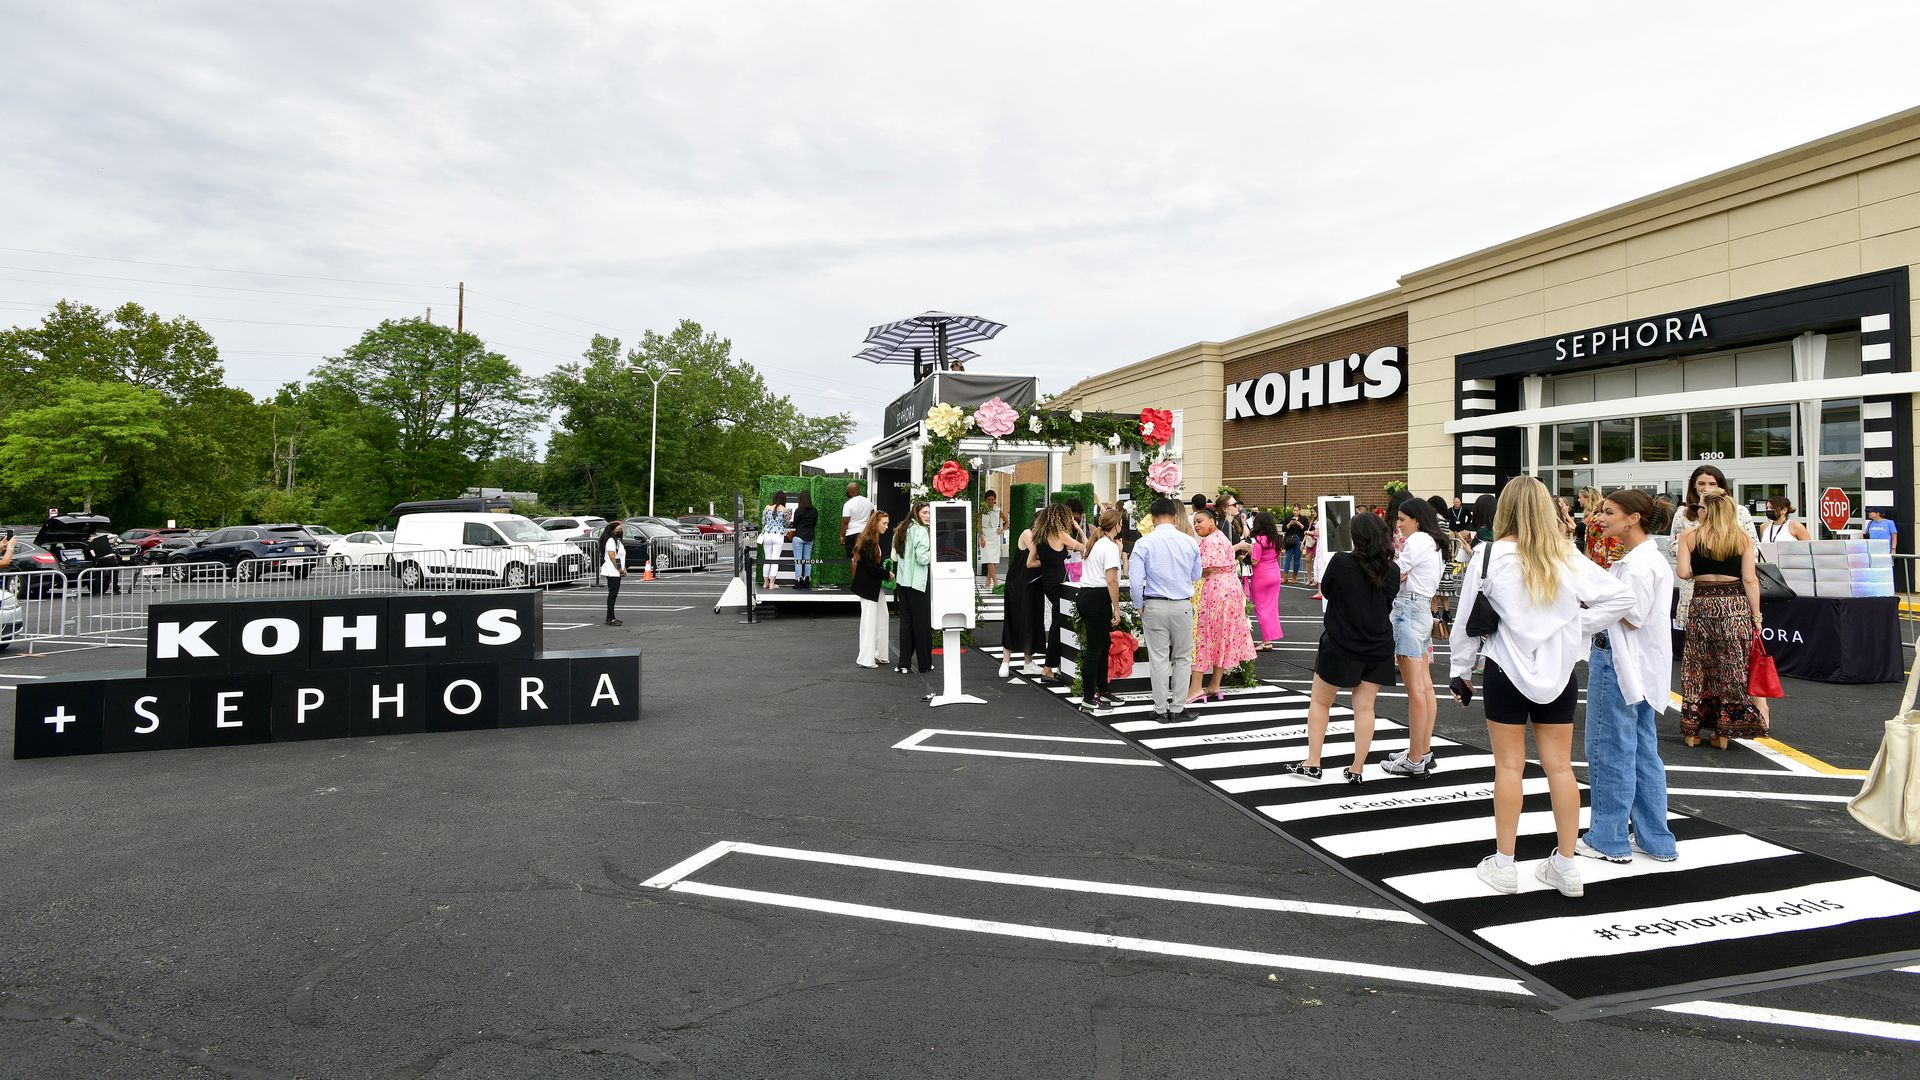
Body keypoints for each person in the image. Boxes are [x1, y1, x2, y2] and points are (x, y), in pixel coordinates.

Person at [1451, 476, 1632, 898]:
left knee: (1509, 767)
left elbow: (1464, 625)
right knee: (1561, 768)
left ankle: (1504, 864)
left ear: (1505, 510)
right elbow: (1621, 598)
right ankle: (1567, 866)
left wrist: (1460, 671)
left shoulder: (1487, 555)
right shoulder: (1565, 554)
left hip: (1503, 670)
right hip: (1560, 672)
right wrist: (1574, 629)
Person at [1577, 489, 1680, 865]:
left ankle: (1608, 837)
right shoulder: (1644, 559)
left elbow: (1631, 614)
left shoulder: (1638, 565)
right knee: (1641, 752)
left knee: (1610, 750)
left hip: (1619, 662)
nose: (1600, 518)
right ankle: (1656, 838)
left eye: (1609, 512)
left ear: (1632, 518)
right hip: (1640, 666)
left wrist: (1593, 600)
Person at [1286, 512, 1398, 784]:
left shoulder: (1342, 561)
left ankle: (1313, 762)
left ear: (1356, 536)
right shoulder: (1392, 569)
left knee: (1321, 702)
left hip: (1340, 642)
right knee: (1365, 708)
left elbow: (1326, 590)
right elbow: (1388, 601)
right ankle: (1357, 768)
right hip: (1378, 644)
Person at [1676, 491, 1765, 749]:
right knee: (1731, 666)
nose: (1698, 511)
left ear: (1708, 511)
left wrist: (1700, 568)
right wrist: (1756, 615)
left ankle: (1692, 731)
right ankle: (1722, 731)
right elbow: (1750, 579)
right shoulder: (1741, 538)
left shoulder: (1690, 536)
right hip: (1734, 606)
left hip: (1703, 605)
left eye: (1701, 507)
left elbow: (1683, 573)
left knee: (1698, 666)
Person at [1382, 498, 1449, 778]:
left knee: (1416, 691)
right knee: (1425, 687)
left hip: (1408, 611)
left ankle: (1414, 758)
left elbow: (1398, 573)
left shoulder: (1418, 540)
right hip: (1421, 610)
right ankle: (1422, 749)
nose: (1399, 525)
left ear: (1417, 520)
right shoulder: (1435, 542)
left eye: (1403, 519)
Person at [1129, 497, 1203, 723]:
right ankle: (1179, 708)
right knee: (1182, 658)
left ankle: (1160, 709)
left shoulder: (1144, 543)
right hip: (1182, 604)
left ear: (1152, 518)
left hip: (1154, 604)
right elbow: (1196, 575)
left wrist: (1138, 605)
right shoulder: (1189, 542)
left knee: (1159, 659)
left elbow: (1135, 582)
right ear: (1174, 516)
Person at [1187, 507, 1257, 704]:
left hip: (1216, 591)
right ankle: (1214, 685)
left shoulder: (1209, 541)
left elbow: (1204, 569)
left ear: (1212, 522)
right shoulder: (1222, 538)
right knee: (1223, 637)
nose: (1197, 525)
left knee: (1205, 636)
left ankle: (1195, 688)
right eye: (1195, 522)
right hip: (1231, 590)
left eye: (1200, 521)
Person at [1026, 503, 1085, 680]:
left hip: (1048, 583)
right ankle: (1048, 668)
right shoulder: (1061, 535)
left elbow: (1030, 563)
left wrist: (1047, 562)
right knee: (1059, 624)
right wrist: (1079, 529)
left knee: (1058, 621)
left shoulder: (1039, 536)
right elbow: (1085, 547)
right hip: (1061, 584)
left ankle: (1056, 665)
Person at [1078, 509, 1125, 712]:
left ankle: (1104, 692)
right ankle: (1088, 698)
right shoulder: (1109, 546)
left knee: (1102, 647)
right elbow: (1111, 580)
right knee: (1096, 650)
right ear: (1116, 525)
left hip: (1086, 596)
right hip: (1098, 598)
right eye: (1121, 522)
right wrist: (1116, 607)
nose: (1122, 526)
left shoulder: (1096, 543)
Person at [892, 502, 934, 674]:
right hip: (918, 583)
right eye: (925, 512)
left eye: (929, 513)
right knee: (922, 624)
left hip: (903, 582)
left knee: (906, 623)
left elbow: (894, 557)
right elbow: (923, 559)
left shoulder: (901, 529)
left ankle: (903, 663)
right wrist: (937, 551)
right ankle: (925, 664)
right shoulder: (922, 532)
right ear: (916, 513)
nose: (928, 516)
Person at [1001, 510, 1041, 676]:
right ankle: (1005, 662)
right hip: (1017, 583)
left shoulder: (1042, 538)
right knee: (1012, 618)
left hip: (1032, 584)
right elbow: (1033, 558)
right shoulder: (1027, 533)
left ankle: (1028, 661)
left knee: (1030, 621)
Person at [850, 512, 892, 668]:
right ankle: (866, 659)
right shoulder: (868, 541)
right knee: (869, 622)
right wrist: (887, 573)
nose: (886, 527)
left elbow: (872, 567)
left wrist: (884, 573)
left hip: (873, 586)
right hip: (868, 586)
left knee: (882, 616)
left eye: (887, 523)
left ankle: (879, 654)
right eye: (884, 523)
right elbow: (871, 568)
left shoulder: (871, 540)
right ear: (876, 523)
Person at [1240, 512, 1284, 651]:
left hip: (1262, 575)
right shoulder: (1276, 539)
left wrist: (1242, 558)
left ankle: (1267, 641)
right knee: (1271, 608)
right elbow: (1277, 555)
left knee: (1261, 609)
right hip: (1275, 574)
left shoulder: (1258, 540)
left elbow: (1254, 561)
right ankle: (1269, 638)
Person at [1579, 487, 1621, 568]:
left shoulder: (1595, 518)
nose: (1578, 500)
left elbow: (1590, 545)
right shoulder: (1595, 517)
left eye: (1580, 497)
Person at [599, 520, 628, 626]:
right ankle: (610, 618)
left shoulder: (617, 540)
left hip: (616, 571)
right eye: (618, 529)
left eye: (621, 529)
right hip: (612, 571)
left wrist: (624, 569)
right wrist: (619, 569)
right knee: (612, 595)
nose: (621, 530)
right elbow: (612, 557)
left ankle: (611, 617)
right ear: (612, 530)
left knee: (613, 595)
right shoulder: (611, 541)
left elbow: (620, 556)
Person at [759, 494, 789, 591]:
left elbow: (763, 522)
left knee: (767, 559)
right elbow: (787, 523)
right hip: (778, 535)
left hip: (767, 534)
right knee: (775, 560)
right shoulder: (785, 510)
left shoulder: (767, 507)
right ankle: (772, 584)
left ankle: (765, 583)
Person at [790, 492, 818, 589]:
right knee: (808, 560)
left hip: (798, 536)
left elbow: (795, 524)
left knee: (798, 560)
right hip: (809, 537)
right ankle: (807, 579)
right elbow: (814, 524)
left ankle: (798, 580)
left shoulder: (798, 511)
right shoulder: (814, 511)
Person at [978, 490, 1005, 590]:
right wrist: (981, 538)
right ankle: (996, 582)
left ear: (995, 500)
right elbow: (979, 525)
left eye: (992, 499)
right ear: (986, 500)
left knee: (991, 561)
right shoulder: (982, 510)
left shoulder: (998, 510)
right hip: (985, 536)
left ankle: (988, 583)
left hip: (995, 536)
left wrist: (1003, 529)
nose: (991, 501)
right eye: (989, 499)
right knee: (989, 560)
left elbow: (1007, 521)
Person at [840, 481, 875, 556]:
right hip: (866, 534)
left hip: (851, 535)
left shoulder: (848, 504)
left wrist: (842, 535)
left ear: (851, 491)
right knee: (865, 559)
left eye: (847, 490)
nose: (846, 491)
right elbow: (872, 517)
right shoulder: (869, 502)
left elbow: (845, 522)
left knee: (853, 559)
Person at [1281, 511, 1307, 584]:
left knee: (1297, 559)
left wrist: (1299, 524)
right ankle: (1285, 577)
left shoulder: (1303, 519)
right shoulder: (1288, 518)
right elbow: (1283, 529)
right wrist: (1290, 524)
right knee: (1287, 558)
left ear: (1300, 510)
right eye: (1294, 510)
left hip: (1299, 540)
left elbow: (1306, 530)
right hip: (1289, 541)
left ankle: (1294, 577)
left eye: (1297, 510)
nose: (1295, 512)